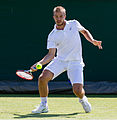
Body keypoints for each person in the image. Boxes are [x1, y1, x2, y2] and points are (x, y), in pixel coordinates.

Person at [31, 6, 102, 113]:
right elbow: (51, 55)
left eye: (61, 16)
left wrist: (92, 41)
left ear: (65, 16)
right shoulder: (52, 35)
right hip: (60, 61)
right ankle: (44, 105)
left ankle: (83, 99)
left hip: (75, 62)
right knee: (42, 78)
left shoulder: (74, 24)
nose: (59, 19)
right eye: (56, 16)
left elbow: (84, 31)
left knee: (77, 90)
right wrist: (39, 63)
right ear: (53, 17)